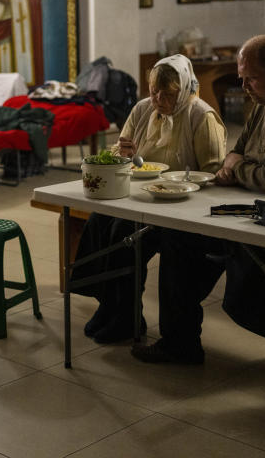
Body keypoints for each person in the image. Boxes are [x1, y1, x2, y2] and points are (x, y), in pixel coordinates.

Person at [132, 35, 265, 365]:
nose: (244, 86)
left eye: (250, 78)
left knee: (241, 301)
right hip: (246, 210)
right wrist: (240, 164)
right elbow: (236, 150)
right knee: (177, 238)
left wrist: (239, 166)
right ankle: (179, 342)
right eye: (242, 78)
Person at [72, 54, 227, 344]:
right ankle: (110, 305)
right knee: (97, 222)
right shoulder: (143, 109)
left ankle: (128, 317)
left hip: (180, 206)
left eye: (166, 94)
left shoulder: (200, 116)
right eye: (153, 91)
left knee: (123, 234)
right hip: (138, 197)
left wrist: (181, 184)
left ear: (182, 90)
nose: (157, 99)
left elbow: (214, 174)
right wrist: (125, 154)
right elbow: (120, 152)